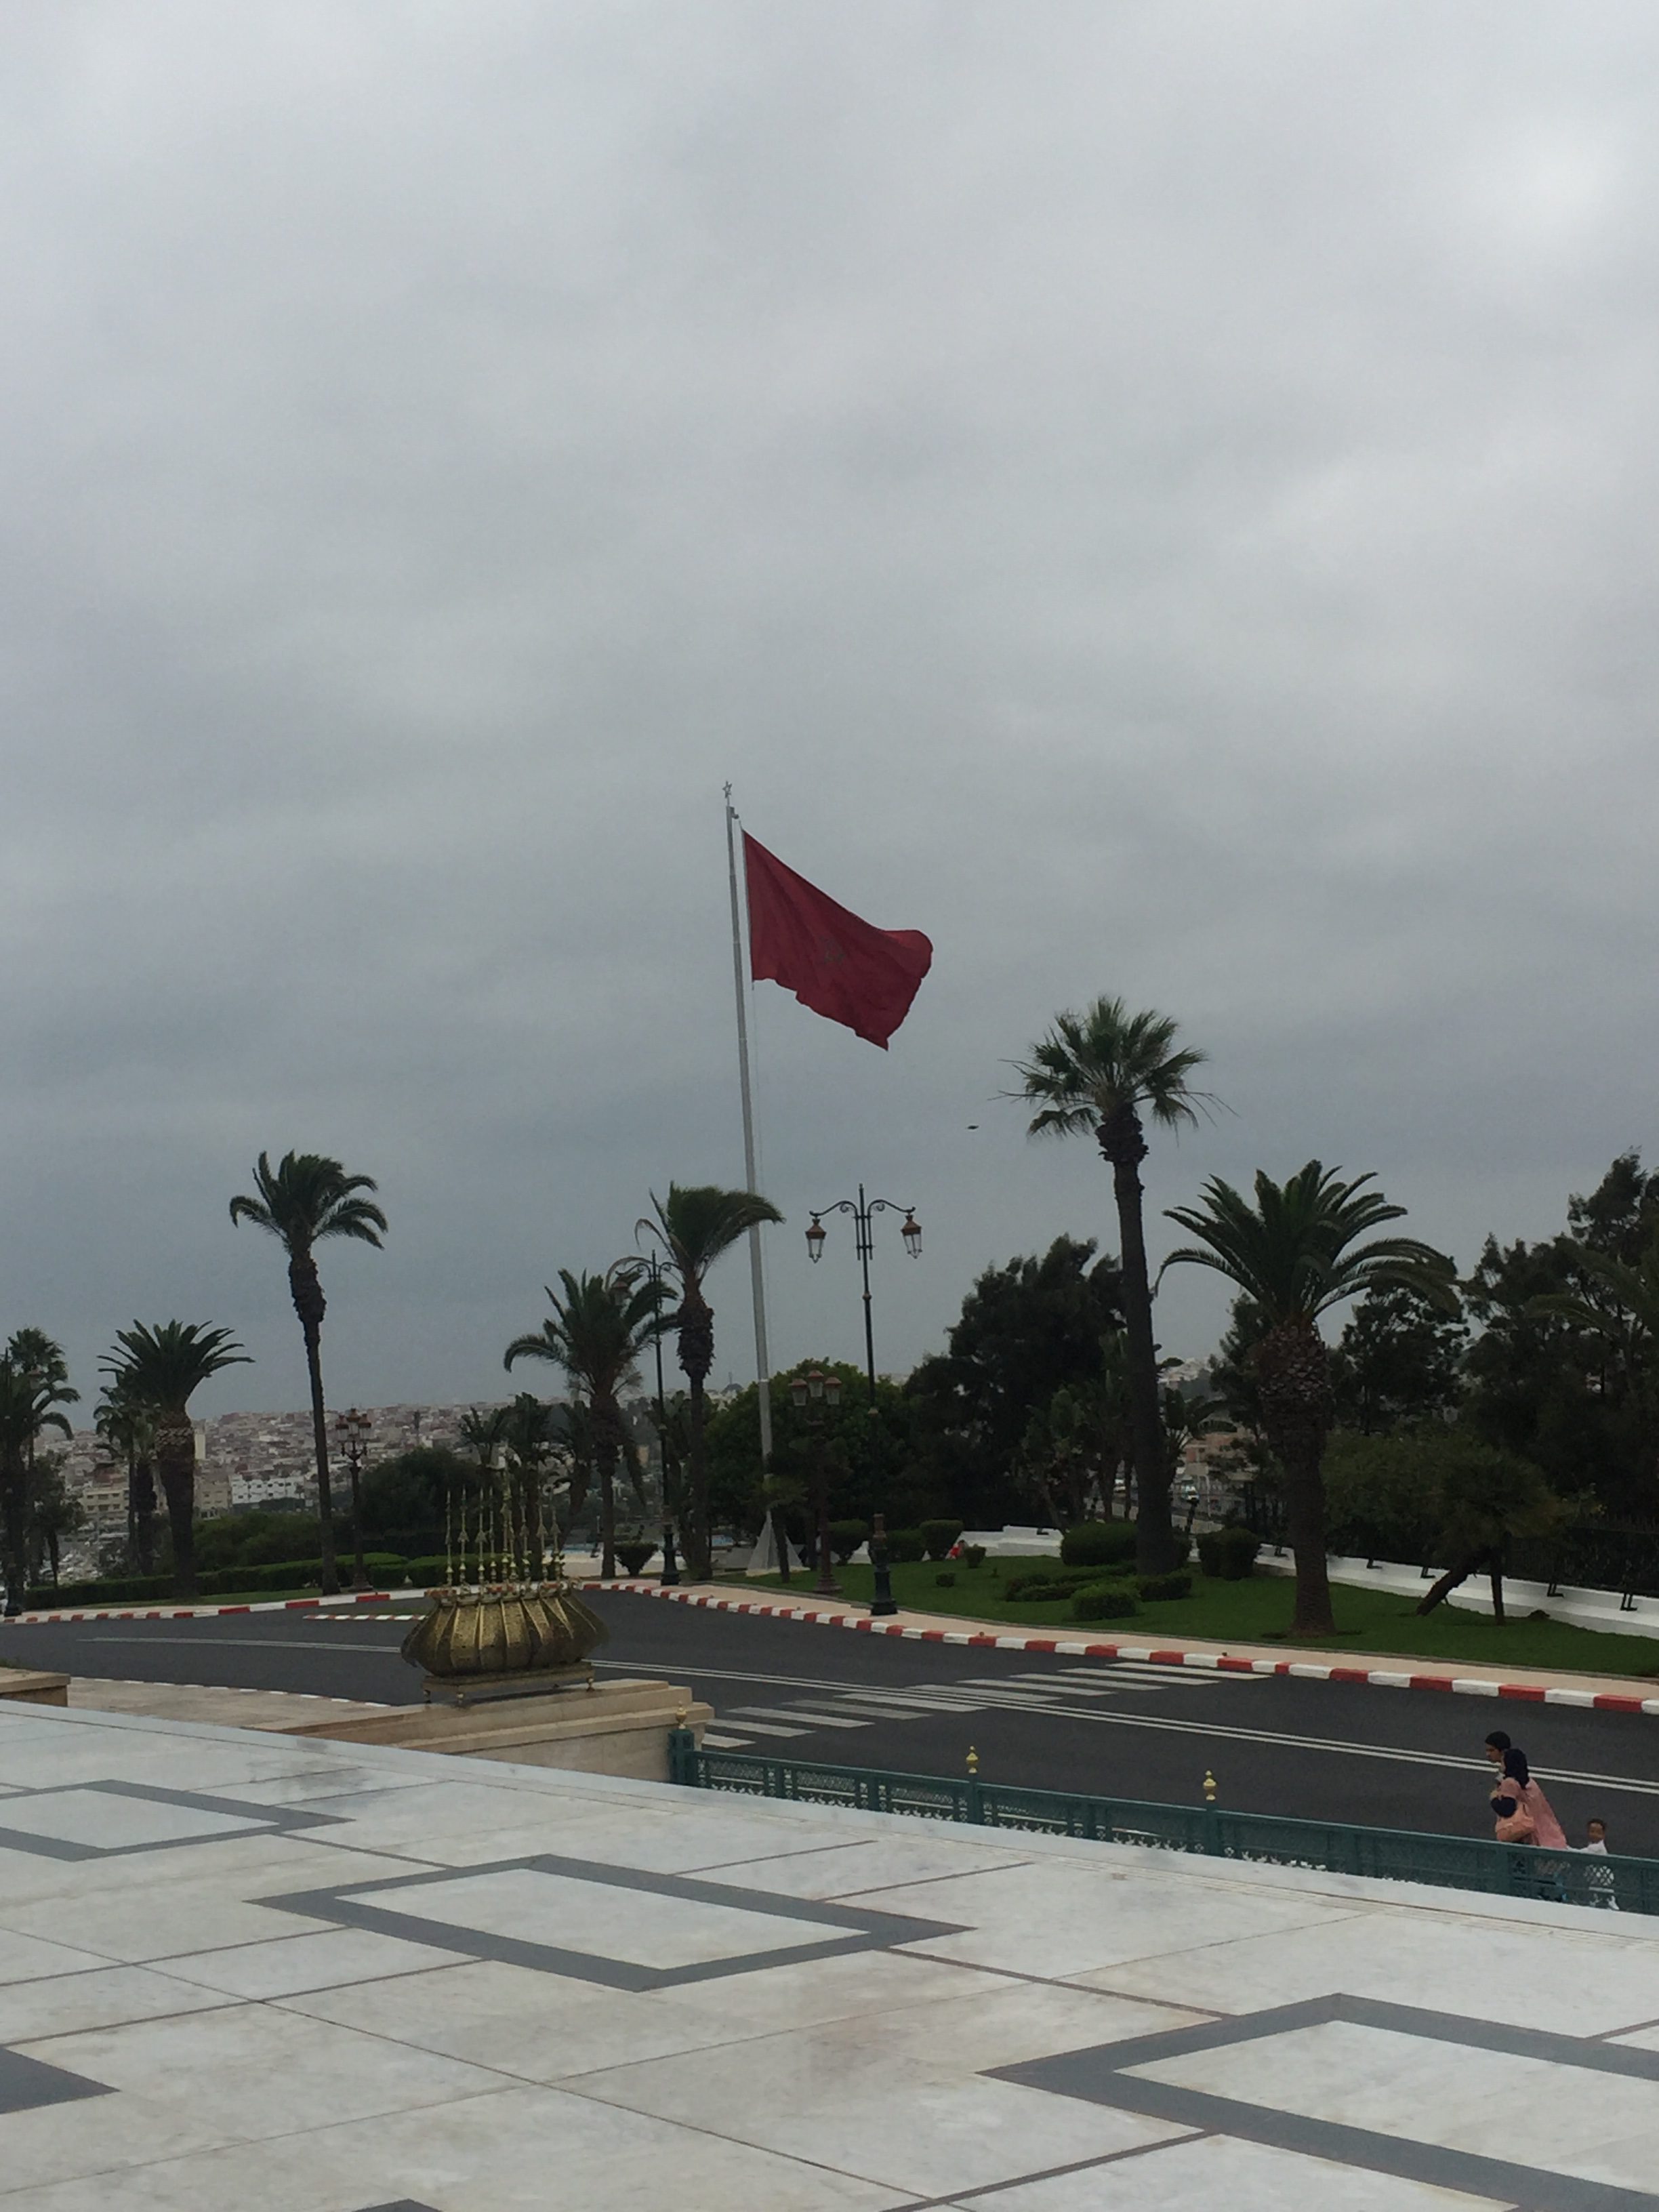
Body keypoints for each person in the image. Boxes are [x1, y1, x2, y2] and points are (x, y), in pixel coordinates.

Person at [1483, 1731, 1568, 1847]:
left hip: (1526, 1835)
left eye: (1491, 1750)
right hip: (1547, 1833)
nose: (1487, 1754)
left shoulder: (1509, 1783)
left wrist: (1494, 1798)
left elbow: (1507, 1810)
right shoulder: (1529, 1782)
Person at [1576, 1816, 1620, 1910]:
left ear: (1603, 1835)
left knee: (1607, 1904)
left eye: (1598, 1833)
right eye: (1592, 1831)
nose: (1594, 1835)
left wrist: (1564, 1847)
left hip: (1603, 1882)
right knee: (1595, 1902)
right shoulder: (1591, 1845)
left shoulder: (1598, 1848)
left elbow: (1581, 1853)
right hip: (1594, 1882)